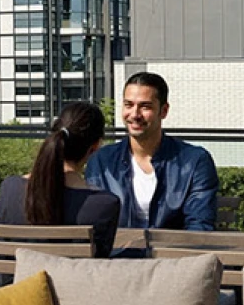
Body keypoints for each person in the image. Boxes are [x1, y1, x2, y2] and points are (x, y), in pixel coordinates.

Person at [82, 72, 218, 235]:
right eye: (128, 105)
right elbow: (95, 223)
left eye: (145, 106)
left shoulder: (195, 162)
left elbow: (199, 226)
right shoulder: (101, 162)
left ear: (164, 111)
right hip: (116, 258)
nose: (134, 114)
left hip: (175, 257)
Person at [0, 101, 121, 257]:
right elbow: (98, 264)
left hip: (20, 281)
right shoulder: (104, 204)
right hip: (72, 282)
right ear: (95, 146)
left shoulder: (10, 188)